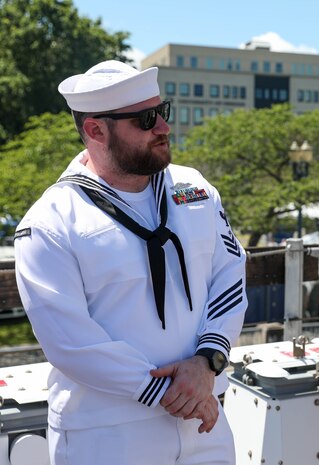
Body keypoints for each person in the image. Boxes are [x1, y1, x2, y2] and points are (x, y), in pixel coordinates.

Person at [13, 60, 247, 465]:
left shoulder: (197, 190)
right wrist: (172, 393)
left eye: (163, 111)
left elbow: (231, 276)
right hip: (107, 434)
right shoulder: (50, 223)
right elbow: (70, 342)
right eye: (145, 119)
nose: (163, 127)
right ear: (95, 130)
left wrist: (208, 361)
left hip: (205, 417)